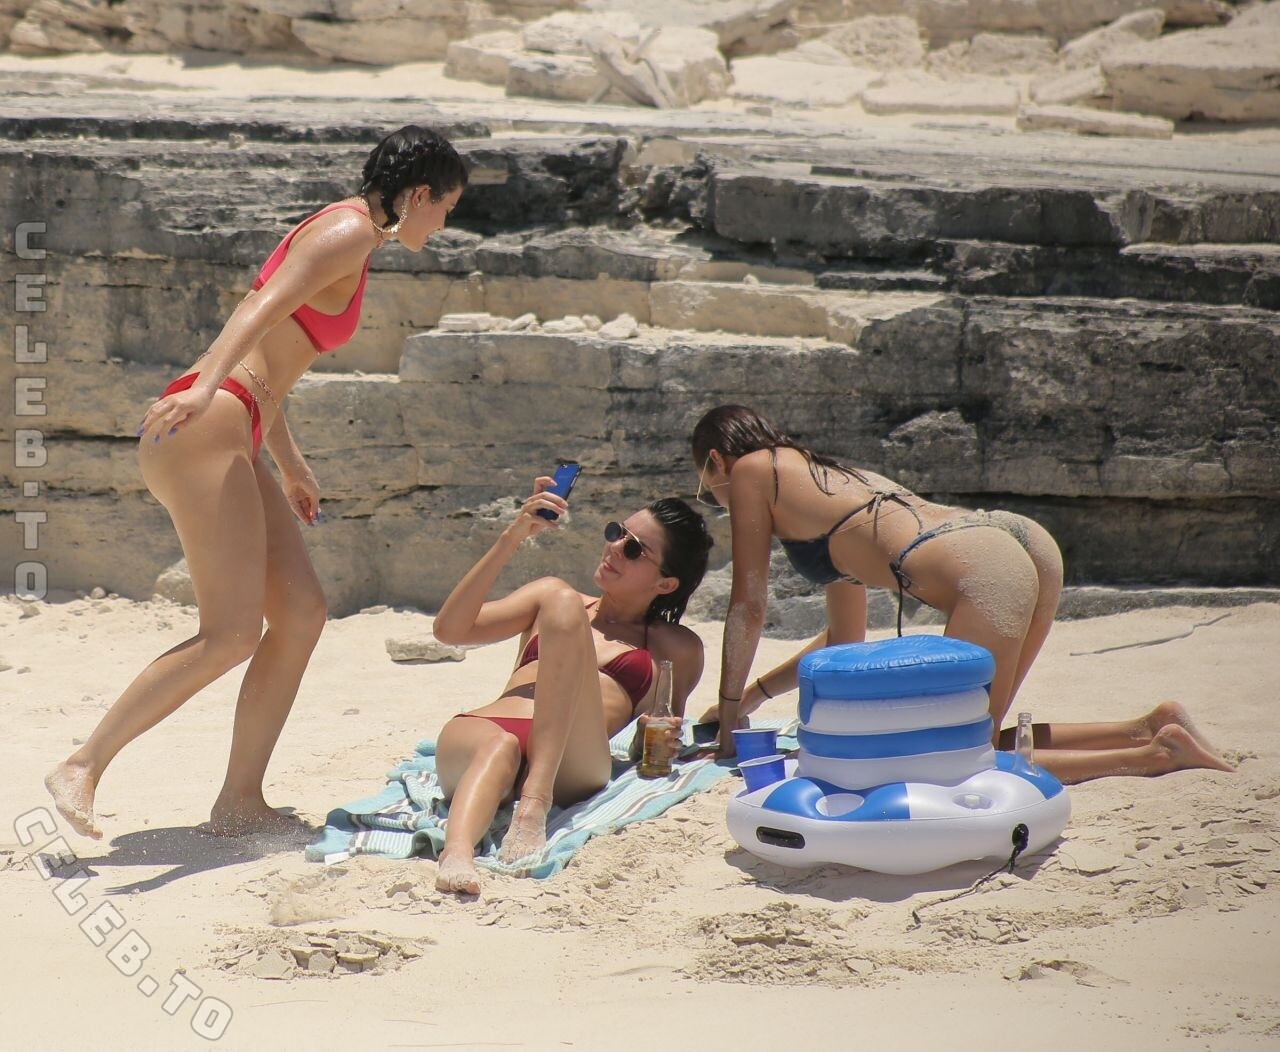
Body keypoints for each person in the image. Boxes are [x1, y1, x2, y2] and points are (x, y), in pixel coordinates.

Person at [45, 126, 469, 839]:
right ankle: (82, 765)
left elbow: (274, 359)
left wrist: (290, 463)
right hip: (210, 420)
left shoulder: (354, 234)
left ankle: (240, 800)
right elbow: (258, 311)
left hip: (236, 423)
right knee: (231, 634)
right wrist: (204, 387)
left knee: (301, 613)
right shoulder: (348, 230)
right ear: (420, 193)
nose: (445, 223)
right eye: (447, 207)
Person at [689, 405, 1234, 783]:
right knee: (978, 736)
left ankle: (1154, 756)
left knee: (960, 760)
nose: (720, 502)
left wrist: (730, 715)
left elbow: (748, 605)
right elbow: (844, 641)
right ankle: (1143, 727)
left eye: (708, 492)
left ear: (716, 461)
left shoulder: (752, 470)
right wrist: (753, 698)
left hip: (983, 566)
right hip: (1009, 538)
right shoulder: (825, 480)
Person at [429, 478, 714, 895]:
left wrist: (651, 739)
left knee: (561, 601)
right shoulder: (553, 599)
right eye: (617, 533)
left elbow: (653, 737)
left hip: (573, 760)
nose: (614, 547)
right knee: (501, 742)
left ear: (666, 584)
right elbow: (449, 631)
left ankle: (535, 801)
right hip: (494, 729)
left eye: (634, 549)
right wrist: (513, 536)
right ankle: (456, 852)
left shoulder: (677, 647)